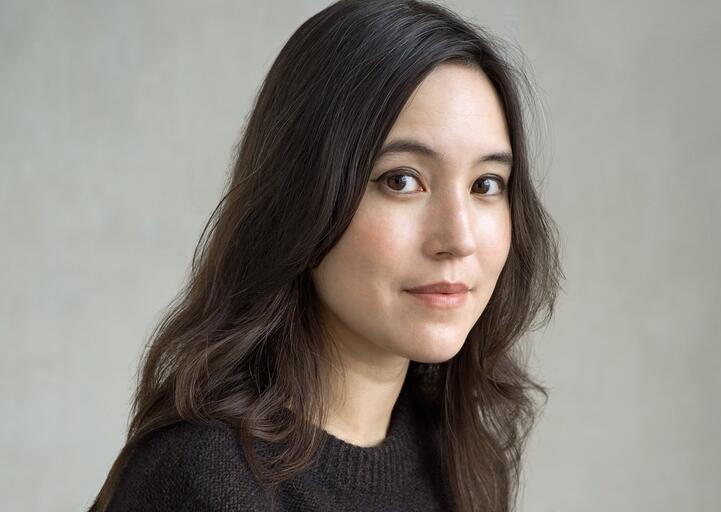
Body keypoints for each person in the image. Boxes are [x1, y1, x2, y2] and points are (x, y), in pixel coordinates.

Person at [88, 0, 563, 511]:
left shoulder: (459, 456)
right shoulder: (207, 481)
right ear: (301, 195)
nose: (459, 237)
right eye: (401, 180)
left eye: (485, 184)